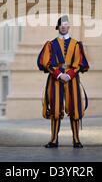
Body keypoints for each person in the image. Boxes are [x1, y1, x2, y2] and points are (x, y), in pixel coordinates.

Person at [37, 15, 89, 148]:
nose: (63, 26)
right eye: (61, 24)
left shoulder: (76, 44)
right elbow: (46, 62)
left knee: (75, 109)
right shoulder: (51, 44)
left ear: (69, 26)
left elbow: (79, 62)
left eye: (66, 24)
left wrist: (69, 75)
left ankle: (76, 139)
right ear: (58, 27)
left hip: (72, 79)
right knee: (55, 109)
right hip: (55, 80)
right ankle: (54, 140)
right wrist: (59, 74)